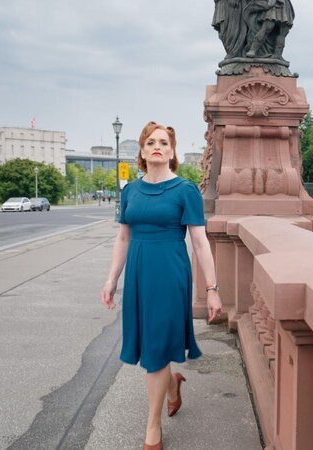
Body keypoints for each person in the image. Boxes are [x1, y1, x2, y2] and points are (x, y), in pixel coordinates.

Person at [101, 121, 223, 450]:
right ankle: (172, 384)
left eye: (164, 143)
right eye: (151, 142)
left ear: (172, 152)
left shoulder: (185, 190)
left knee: (155, 348)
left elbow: (200, 242)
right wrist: (112, 279)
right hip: (138, 275)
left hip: (170, 276)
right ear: (142, 152)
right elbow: (123, 237)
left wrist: (212, 289)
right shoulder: (130, 191)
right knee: (152, 346)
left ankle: (152, 428)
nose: (157, 147)